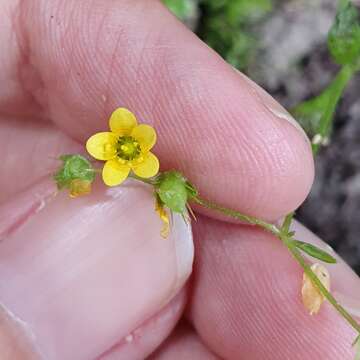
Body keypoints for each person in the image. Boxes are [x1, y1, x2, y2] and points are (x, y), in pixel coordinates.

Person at [0, 1, 358, 359]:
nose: (124, 149)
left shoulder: (137, 154)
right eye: (123, 147)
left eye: (127, 147)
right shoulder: (126, 160)